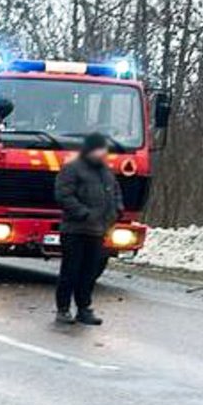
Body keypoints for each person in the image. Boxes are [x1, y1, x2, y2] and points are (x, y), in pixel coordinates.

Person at [52, 132, 122, 326]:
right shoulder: (72, 169)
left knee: (89, 273)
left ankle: (84, 309)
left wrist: (117, 211)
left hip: (97, 231)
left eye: (104, 150)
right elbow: (64, 195)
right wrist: (83, 213)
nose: (102, 153)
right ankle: (63, 309)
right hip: (74, 230)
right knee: (70, 271)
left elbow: (115, 193)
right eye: (99, 149)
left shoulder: (105, 172)